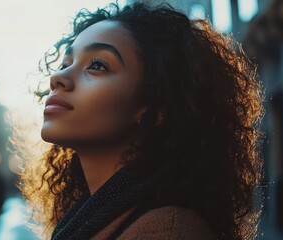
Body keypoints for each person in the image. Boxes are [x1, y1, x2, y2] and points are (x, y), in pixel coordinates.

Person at [20, 2, 265, 240]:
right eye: (66, 63)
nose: (58, 77)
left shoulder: (169, 232)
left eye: (97, 65)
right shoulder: (95, 213)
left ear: (156, 105)